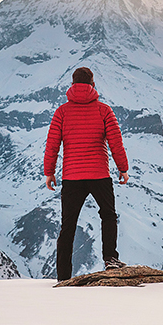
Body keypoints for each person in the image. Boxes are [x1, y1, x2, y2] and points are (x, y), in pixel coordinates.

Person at [44, 66, 130, 281]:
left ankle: (63, 276)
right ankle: (110, 258)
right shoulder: (104, 110)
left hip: (72, 177)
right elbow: (115, 143)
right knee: (108, 215)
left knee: (68, 225)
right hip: (99, 174)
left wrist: (49, 172)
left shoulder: (61, 112)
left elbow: (52, 144)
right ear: (93, 84)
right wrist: (123, 168)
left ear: (72, 84)